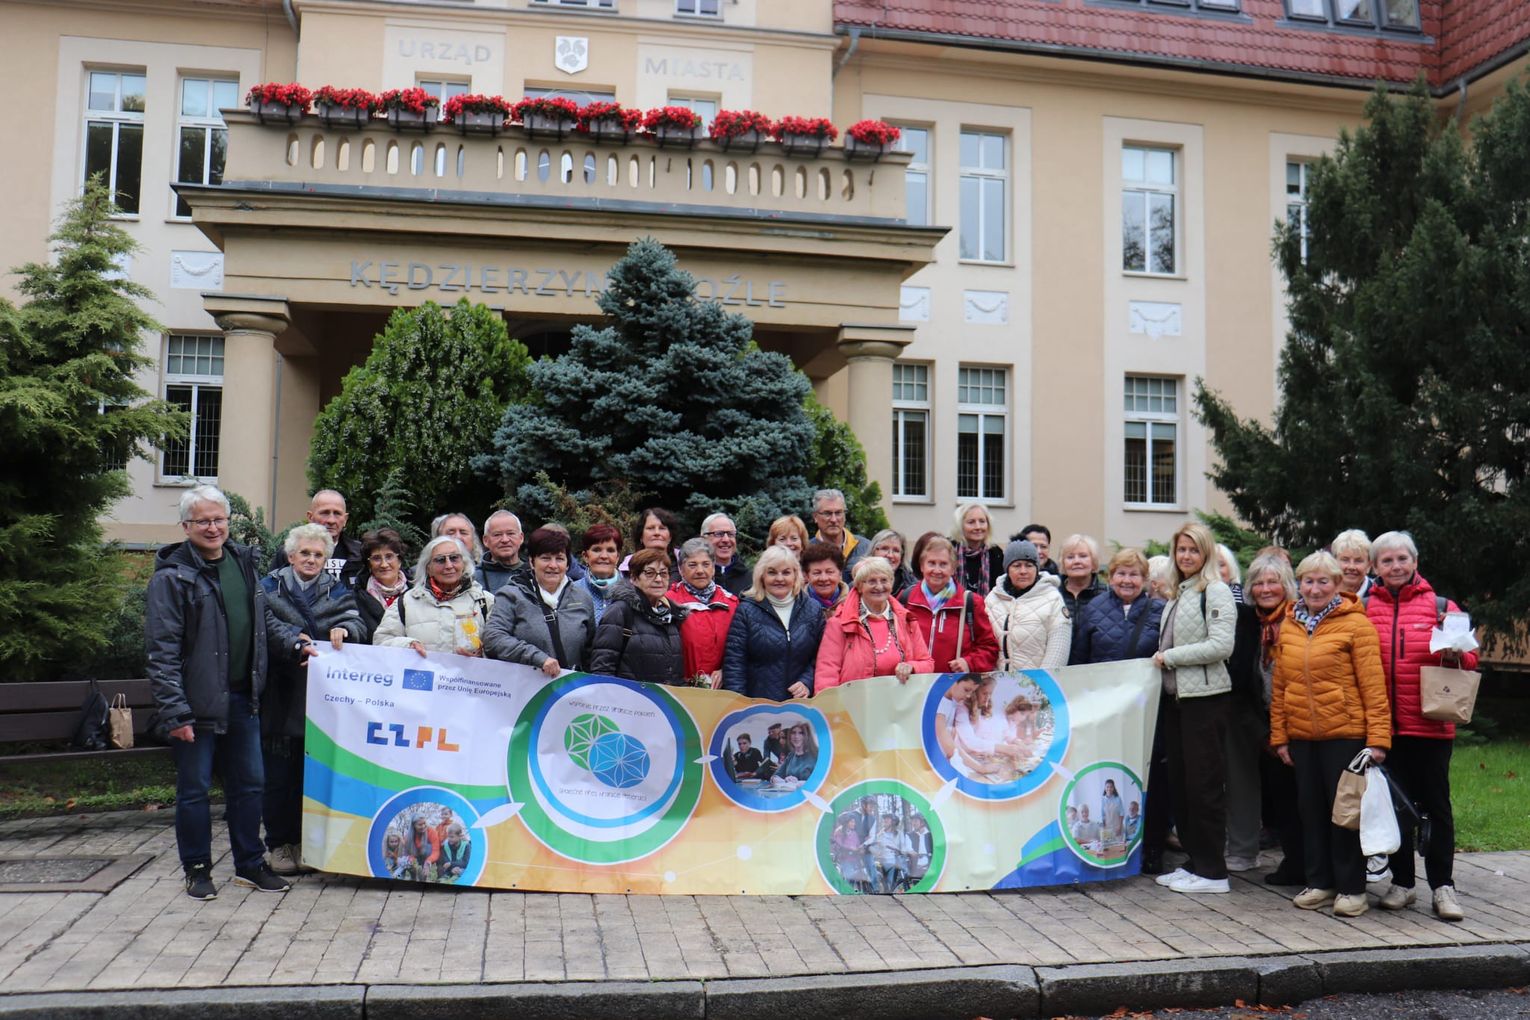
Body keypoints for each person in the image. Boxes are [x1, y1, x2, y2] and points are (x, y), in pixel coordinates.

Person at [145, 485, 311, 900]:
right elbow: (161, 652)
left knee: (250, 786)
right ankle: (197, 869)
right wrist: (175, 712)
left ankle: (250, 865)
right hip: (195, 706)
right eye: (203, 521)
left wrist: (294, 644)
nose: (213, 527)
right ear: (186, 526)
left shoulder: (242, 562)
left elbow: (263, 622)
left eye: (219, 519)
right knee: (194, 791)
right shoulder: (171, 577)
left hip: (243, 699)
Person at [1271, 551, 1391, 919]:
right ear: (1299, 584)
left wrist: (1378, 740)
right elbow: (1280, 686)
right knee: (1310, 812)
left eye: (1323, 581)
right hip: (1303, 736)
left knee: (1345, 814)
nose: (1315, 588)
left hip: (1346, 734)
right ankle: (1320, 882)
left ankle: (1352, 888)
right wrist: (1280, 736)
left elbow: (1373, 686)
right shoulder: (1290, 624)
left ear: (1338, 584)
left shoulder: (1356, 625)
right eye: (1308, 581)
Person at [1365, 530, 1477, 922]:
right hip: (1385, 728)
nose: (1395, 566)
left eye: (1402, 559)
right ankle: (1403, 883)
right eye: (1387, 560)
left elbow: (1471, 661)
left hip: (1430, 725)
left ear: (1415, 562)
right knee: (1396, 808)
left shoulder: (1441, 606)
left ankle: (1443, 887)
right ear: (1375, 567)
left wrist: (1455, 649)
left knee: (1436, 807)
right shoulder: (1364, 608)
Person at [259, 523, 365, 876]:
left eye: (318, 554)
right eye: (304, 552)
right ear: (290, 556)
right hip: (280, 692)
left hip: (321, 697)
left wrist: (345, 630)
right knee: (279, 776)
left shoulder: (337, 590)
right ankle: (279, 843)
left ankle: (307, 843)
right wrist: (294, 641)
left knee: (312, 775)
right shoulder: (268, 587)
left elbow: (356, 622)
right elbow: (266, 625)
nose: (311, 559)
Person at [1150, 521, 1237, 895]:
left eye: (1193, 550)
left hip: (1206, 701)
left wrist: (1170, 657)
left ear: (1206, 553)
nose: (1186, 556)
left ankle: (1214, 871)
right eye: (1181, 550)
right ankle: (1195, 862)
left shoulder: (1215, 590)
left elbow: (1222, 645)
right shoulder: (1179, 592)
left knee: (1204, 787)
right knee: (1183, 785)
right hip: (1178, 701)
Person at [1244, 553, 1305, 887]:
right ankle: (1295, 861)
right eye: (1259, 583)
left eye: (1273, 582)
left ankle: (1314, 864)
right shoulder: (1251, 625)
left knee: (1305, 798)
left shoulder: (1299, 620)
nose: (1265, 589)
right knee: (1282, 799)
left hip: (1300, 722)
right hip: (1267, 723)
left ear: (1287, 585)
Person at [482, 527, 596, 675]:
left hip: (569, 687)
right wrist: (536, 658)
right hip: (524, 685)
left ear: (567, 564)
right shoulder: (511, 595)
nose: (553, 565)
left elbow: (591, 650)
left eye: (559, 559)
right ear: (531, 561)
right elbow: (493, 638)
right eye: (545, 558)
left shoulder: (582, 598)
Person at [722, 546, 824, 701]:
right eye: (772, 572)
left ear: (796, 575)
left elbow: (822, 656)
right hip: (757, 705)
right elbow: (734, 664)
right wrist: (739, 705)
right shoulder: (746, 611)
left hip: (801, 705)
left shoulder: (813, 609)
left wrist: (807, 681)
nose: (779, 579)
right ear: (761, 576)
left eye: (786, 572)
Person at [814, 557, 934, 690]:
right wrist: (829, 702)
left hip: (899, 700)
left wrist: (912, 666)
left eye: (884, 580)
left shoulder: (906, 620)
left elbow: (927, 663)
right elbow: (827, 673)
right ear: (859, 586)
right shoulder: (839, 623)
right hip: (853, 700)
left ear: (891, 583)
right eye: (872, 581)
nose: (879, 586)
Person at [372, 536, 491, 656]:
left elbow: (498, 646)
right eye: (440, 560)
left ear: (464, 563)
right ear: (428, 568)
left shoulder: (485, 601)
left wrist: (482, 655)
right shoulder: (405, 603)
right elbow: (381, 641)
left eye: (454, 558)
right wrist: (408, 646)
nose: (449, 565)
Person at [900, 535, 999, 673]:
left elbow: (990, 648)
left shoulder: (970, 602)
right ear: (922, 566)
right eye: (931, 563)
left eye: (943, 564)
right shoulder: (906, 599)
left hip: (953, 685)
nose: (937, 570)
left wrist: (969, 663)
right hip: (914, 683)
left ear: (953, 569)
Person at [591, 547, 687, 684]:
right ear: (634, 578)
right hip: (627, 696)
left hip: (663, 697)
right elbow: (602, 668)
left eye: (663, 573)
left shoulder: (672, 615)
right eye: (650, 573)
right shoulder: (620, 611)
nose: (658, 579)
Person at [1069, 548, 1164, 665]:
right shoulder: (1094, 608)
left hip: (1143, 677)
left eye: (1133, 574)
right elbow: (1078, 658)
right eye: (1121, 573)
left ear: (1144, 579)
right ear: (1111, 578)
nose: (1127, 580)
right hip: (1102, 677)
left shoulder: (1159, 611)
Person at [986, 540, 1071, 671]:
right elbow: (984, 645)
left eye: (1029, 565)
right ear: (1007, 569)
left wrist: (1039, 681)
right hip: (997, 682)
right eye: (1016, 565)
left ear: (1037, 568)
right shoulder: (992, 599)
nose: (1023, 571)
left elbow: (1058, 651)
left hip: (1038, 681)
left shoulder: (1053, 599)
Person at [667, 537, 740, 686]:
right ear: (681, 569)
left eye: (706, 564)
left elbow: (740, 649)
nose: (700, 571)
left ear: (713, 568)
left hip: (722, 691)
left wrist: (726, 670)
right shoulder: (668, 602)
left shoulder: (732, 603)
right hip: (679, 689)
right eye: (692, 565)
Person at [266, 489, 365, 585]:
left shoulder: (359, 553)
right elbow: (272, 588)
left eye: (337, 513)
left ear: (345, 519)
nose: (331, 520)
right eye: (325, 513)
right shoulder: (290, 552)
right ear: (310, 517)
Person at [354, 528, 409, 640]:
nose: (384, 564)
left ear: (399, 561)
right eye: (376, 558)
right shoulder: (355, 598)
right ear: (369, 565)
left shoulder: (417, 594)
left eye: (389, 556)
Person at [574, 523, 627, 621]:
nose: (604, 556)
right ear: (585, 556)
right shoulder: (572, 592)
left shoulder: (632, 593)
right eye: (597, 550)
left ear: (617, 557)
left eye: (610, 550)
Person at [810, 488, 868, 572]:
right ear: (815, 517)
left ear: (844, 516)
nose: (833, 519)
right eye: (827, 513)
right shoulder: (807, 551)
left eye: (838, 513)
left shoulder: (866, 548)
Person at [953, 503, 1004, 596]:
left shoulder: (996, 554)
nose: (978, 527)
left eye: (982, 521)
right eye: (971, 522)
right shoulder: (949, 550)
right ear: (960, 526)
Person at [621, 507, 680, 580]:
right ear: (641, 536)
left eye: (662, 528)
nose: (657, 533)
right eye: (650, 528)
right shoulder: (627, 568)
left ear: (670, 536)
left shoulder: (684, 561)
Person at [1057, 534, 1107, 619]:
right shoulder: (1053, 593)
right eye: (1070, 557)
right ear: (1063, 563)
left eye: (1083, 556)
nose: (1076, 561)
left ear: (1093, 561)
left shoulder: (1108, 595)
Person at [934, 673, 981, 763]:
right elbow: (949, 748)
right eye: (966, 690)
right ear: (953, 681)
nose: (968, 695)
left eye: (972, 692)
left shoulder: (953, 702)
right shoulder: (939, 704)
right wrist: (980, 768)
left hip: (946, 757)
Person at [700, 512, 751, 596]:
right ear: (703, 538)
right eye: (719, 534)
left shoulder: (751, 580)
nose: (726, 539)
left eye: (731, 534)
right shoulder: (695, 577)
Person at [476, 510, 525, 594]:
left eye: (510, 533)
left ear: (521, 538)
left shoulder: (535, 574)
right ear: (486, 540)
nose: (505, 540)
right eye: (497, 535)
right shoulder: (473, 579)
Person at [866, 813, 910, 893]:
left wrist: (899, 851)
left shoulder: (899, 834)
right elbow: (876, 851)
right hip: (882, 863)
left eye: (888, 819)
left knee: (892, 884)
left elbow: (904, 848)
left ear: (893, 822)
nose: (885, 820)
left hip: (895, 862)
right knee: (885, 886)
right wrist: (869, 847)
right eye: (884, 819)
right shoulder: (879, 835)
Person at [800, 540, 849, 611]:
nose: (824, 578)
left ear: (840, 573)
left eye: (829, 572)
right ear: (807, 576)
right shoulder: (798, 604)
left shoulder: (854, 601)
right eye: (817, 573)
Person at [831, 812, 870, 893]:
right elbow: (838, 845)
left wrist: (861, 848)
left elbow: (857, 845)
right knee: (849, 879)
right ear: (846, 822)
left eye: (854, 822)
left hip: (855, 860)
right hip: (845, 860)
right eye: (852, 822)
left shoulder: (854, 833)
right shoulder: (839, 832)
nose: (854, 824)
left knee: (859, 878)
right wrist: (850, 848)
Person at [868, 528, 914, 596]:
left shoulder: (911, 586)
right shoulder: (858, 581)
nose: (890, 555)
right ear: (873, 551)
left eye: (896, 550)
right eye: (884, 548)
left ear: (902, 556)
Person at [1331, 529, 1374, 599]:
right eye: (1345, 560)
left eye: (1358, 561)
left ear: (1369, 565)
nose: (1351, 567)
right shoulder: (1323, 592)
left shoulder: (1380, 593)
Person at [401, 815, 440, 882]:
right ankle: (413, 875)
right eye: (420, 825)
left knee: (428, 847)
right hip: (415, 857)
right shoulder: (407, 836)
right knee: (405, 861)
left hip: (426, 856)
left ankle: (424, 873)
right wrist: (412, 861)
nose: (423, 826)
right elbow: (406, 852)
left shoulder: (431, 831)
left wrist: (428, 861)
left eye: (424, 823)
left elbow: (436, 851)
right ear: (413, 825)